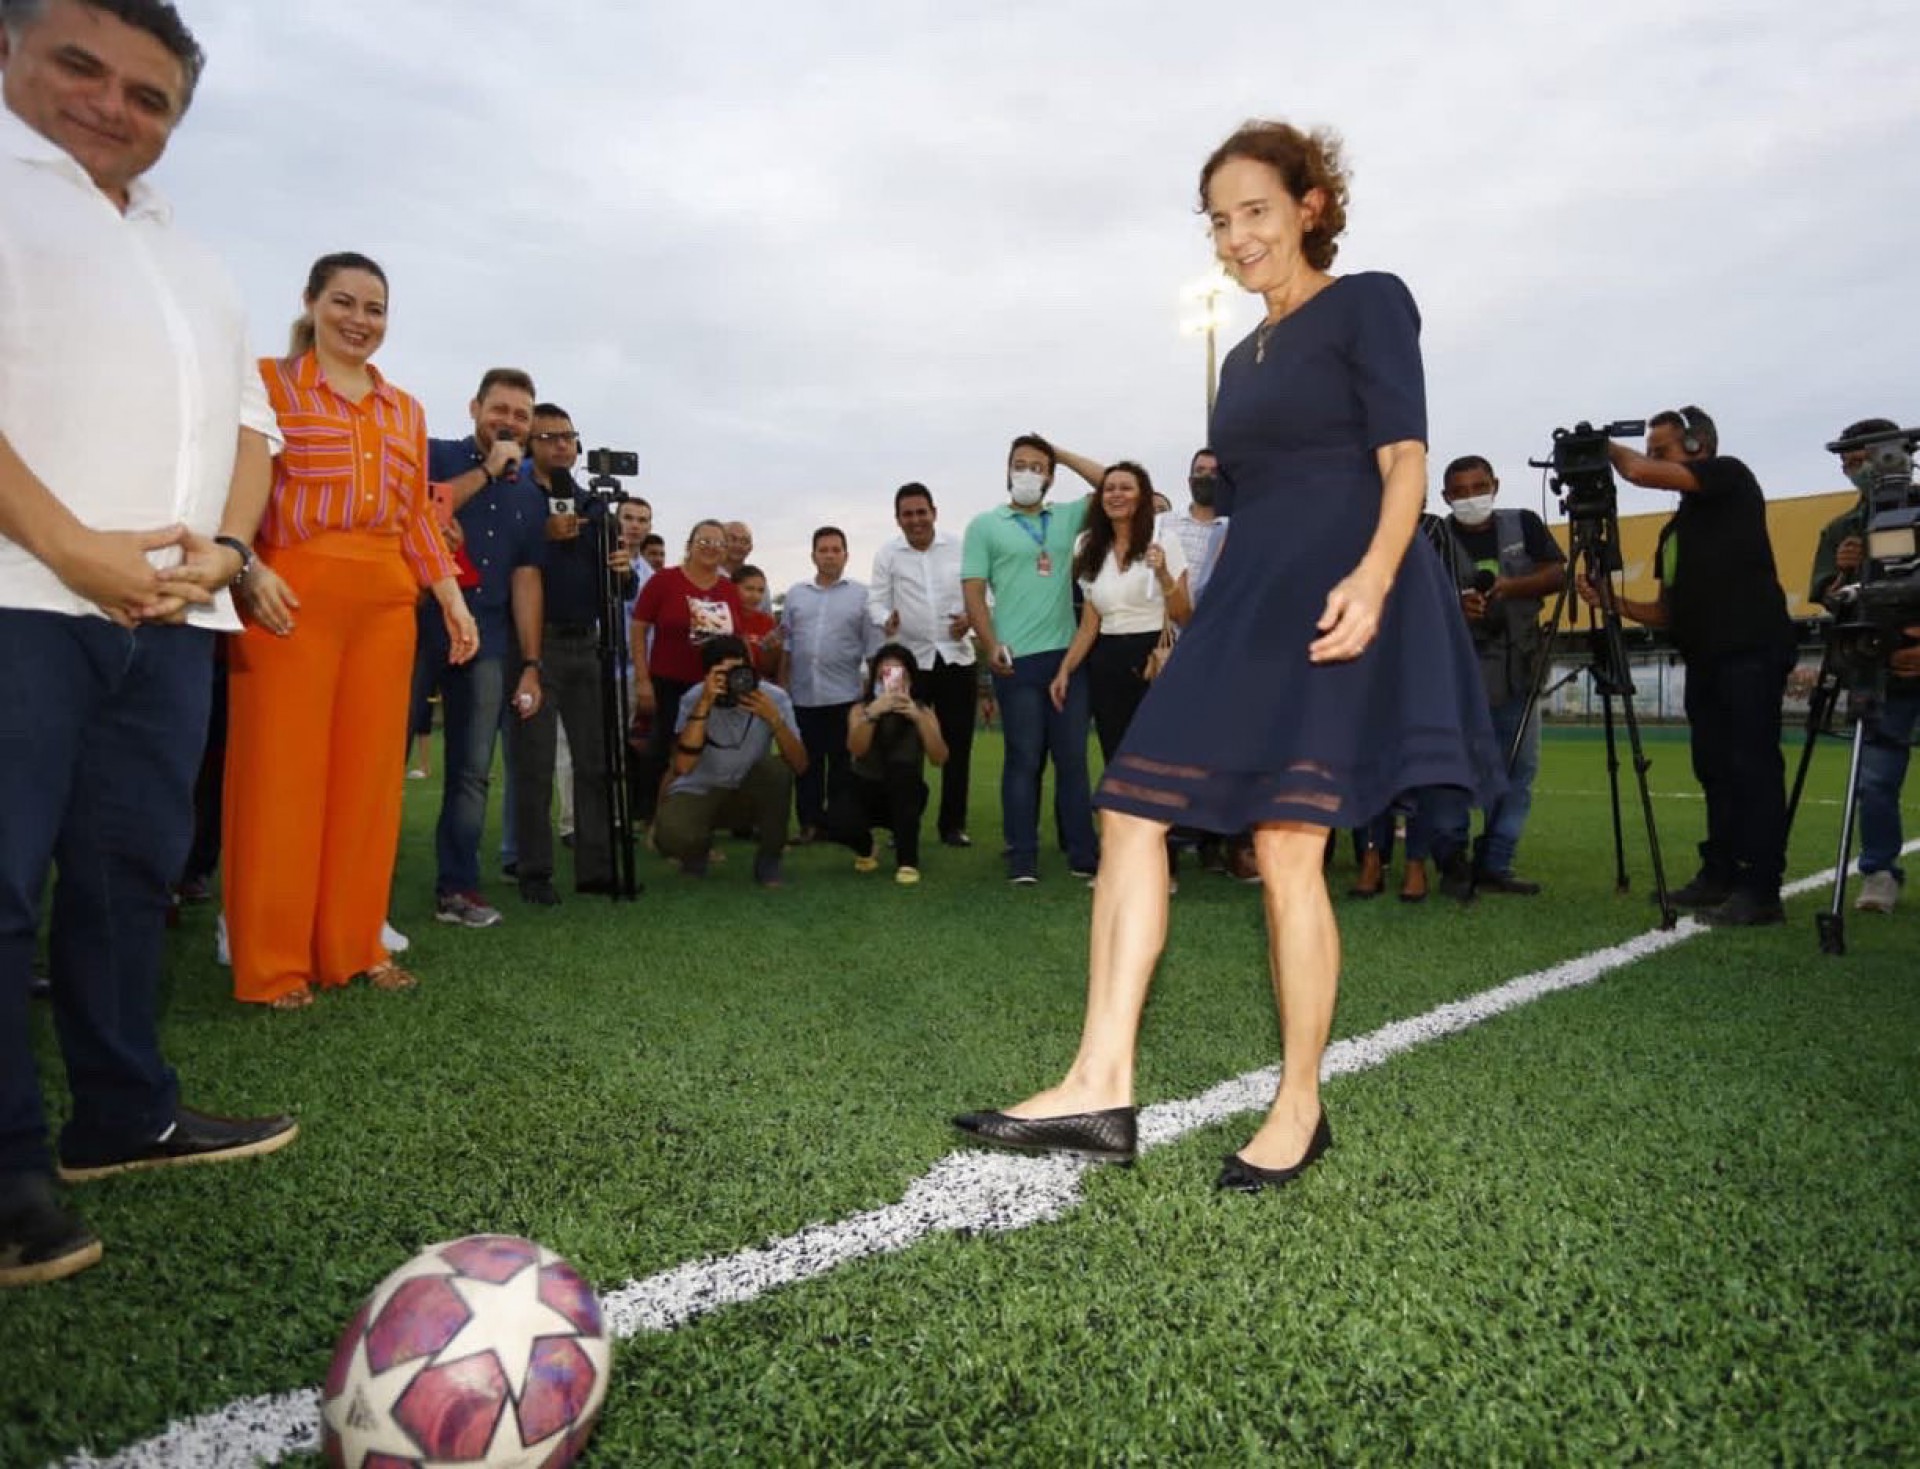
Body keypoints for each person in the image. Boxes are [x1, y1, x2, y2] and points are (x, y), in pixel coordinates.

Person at [954, 120, 1498, 1191]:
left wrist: (1378, 574)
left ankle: (1301, 1104)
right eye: (1219, 220)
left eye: (1256, 210)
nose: (1237, 235)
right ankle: (1099, 1082)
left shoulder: (1371, 300)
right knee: (1128, 807)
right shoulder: (1240, 359)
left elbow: (1404, 460)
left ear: (1312, 205)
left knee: (1290, 843)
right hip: (1247, 598)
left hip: (1343, 581)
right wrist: (1184, 620)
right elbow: (1237, 505)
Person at [0, 0, 299, 1287]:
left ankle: (123, 1111)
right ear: (12, 49)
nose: (114, 106)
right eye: (83, 67)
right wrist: (72, 543)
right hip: (21, 591)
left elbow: (253, 427)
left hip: (175, 618)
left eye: (150, 96)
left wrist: (228, 556)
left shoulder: (197, 254)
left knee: (131, 873)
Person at [223, 252, 478, 1009]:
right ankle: (272, 964)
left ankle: (354, 945)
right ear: (310, 302)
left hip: (385, 606)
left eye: (375, 308)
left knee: (370, 782)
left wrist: (452, 600)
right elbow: (236, 485)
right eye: (344, 301)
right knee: (281, 777)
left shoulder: (405, 409)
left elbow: (414, 522)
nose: (359, 320)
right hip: (287, 594)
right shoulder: (269, 383)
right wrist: (244, 568)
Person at [1578, 407, 1795, 926]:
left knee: (1752, 767)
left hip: (1750, 649)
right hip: (1705, 658)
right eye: (1650, 451)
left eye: (1663, 450)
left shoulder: (1730, 476)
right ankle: (1718, 872)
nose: (1651, 461)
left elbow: (1635, 472)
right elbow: (1666, 612)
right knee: (1715, 770)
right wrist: (1615, 603)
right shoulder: (1674, 532)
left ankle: (1760, 886)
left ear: (1698, 447)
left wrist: (1605, 447)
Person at [423, 369, 548, 929]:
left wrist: (530, 663)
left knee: (473, 770)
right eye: (501, 409)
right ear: (475, 407)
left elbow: (526, 578)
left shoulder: (529, 492)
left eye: (521, 415)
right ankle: (358, 885)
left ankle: (458, 888)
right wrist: (486, 471)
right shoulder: (433, 454)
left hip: (490, 637)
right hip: (419, 623)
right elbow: (422, 511)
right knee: (385, 755)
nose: (510, 423)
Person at [1418, 455, 1565, 894]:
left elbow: (1558, 572)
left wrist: (1510, 588)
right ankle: (1452, 863)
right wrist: (1455, 605)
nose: (1470, 498)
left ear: (1495, 484)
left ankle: (1496, 862)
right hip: (1453, 675)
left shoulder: (1524, 523)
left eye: (1478, 487)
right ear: (1446, 497)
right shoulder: (1432, 535)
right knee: (1448, 770)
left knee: (1518, 769)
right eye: (1459, 492)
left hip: (1517, 668)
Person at [961, 434, 1100, 884]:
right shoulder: (985, 525)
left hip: (1066, 659)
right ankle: (1023, 856)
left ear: (1050, 477)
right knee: (1022, 757)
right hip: (1014, 660)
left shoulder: (1064, 517)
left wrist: (1059, 451)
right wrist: (989, 643)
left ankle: (1083, 854)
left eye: (1037, 466)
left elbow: (1111, 483)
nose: (1026, 472)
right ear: (1006, 471)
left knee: (1073, 759)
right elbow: (974, 591)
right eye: (1018, 464)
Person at [508, 403, 632, 905]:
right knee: (535, 765)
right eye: (548, 437)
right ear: (529, 445)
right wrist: (541, 533)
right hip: (534, 649)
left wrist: (622, 571)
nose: (561, 445)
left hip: (591, 644)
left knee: (595, 764)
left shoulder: (594, 506)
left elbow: (618, 589)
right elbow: (507, 562)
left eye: (568, 437)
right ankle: (534, 874)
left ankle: (596, 869)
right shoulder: (516, 498)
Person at [1809, 417, 1920, 914]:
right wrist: (1846, 573)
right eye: (1845, 462)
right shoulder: (1841, 530)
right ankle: (1878, 871)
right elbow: (1832, 602)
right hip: (1879, 670)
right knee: (1873, 782)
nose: (1851, 470)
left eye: (1858, 460)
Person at [1052, 461, 1191, 761]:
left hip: (1154, 656)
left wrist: (1164, 573)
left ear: (1142, 496)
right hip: (1107, 662)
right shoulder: (1086, 545)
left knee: (1158, 758)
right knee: (1116, 757)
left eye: (1126, 488)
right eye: (1109, 489)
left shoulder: (1164, 541)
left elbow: (1183, 615)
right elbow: (1090, 625)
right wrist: (1065, 669)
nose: (1116, 494)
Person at [868, 483, 979, 848]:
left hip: (955, 657)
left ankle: (952, 825)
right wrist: (886, 619)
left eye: (921, 512)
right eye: (907, 514)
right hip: (906, 663)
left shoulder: (960, 547)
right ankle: (902, 821)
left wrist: (969, 618)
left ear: (934, 512)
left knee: (957, 744)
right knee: (899, 743)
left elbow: (983, 594)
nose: (915, 520)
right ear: (897, 518)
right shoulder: (888, 554)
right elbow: (876, 602)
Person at [652, 636, 807, 886]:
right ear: (708, 675)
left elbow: (800, 765)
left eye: (739, 670)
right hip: (702, 791)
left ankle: (769, 858)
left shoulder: (773, 698)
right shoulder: (694, 698)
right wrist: (704, 704)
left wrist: (774, 719)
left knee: (776, 770)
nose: (734, 679)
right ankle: (696, 852)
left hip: (748, 790)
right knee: (672, 836)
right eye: (723, 673)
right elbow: (682, 766)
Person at [631, 519, 747, 822]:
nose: (710, 549)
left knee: (707, 751)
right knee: (660, 750)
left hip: (713, 685)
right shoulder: (664, 581)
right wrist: (642, 680)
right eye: (704, 541)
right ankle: (653, 817)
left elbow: (739, 639)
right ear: (689, 545)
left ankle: (702, 817)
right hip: (667, 680)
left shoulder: (728, 589)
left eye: (718, 544)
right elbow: (639, 629)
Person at [826, 643, 950, 884]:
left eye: (898, 674)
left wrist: (917, 718)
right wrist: (873, 713)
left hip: (905, 792)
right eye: (884, 674)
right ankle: (866, 846)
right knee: (837, 820)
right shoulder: (860, 709)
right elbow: (856, 749)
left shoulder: (923, 710)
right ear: (874, 679)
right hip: (865, 787)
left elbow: (939, 758)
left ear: (910, 679)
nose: (891, 681)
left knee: (903, 774)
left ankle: (907, 861)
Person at [781, 526, 874, 842]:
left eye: (836, 549)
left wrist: (871, 695)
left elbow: (872, 647)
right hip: (803, 695)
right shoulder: (796, 594)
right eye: (824, 550)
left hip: (844, 696)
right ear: (813, 555)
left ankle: (837, 824)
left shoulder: (862, 596)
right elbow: (787, 644)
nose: (830, 555)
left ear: (846, 555)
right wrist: (783, 688)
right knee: (805, 766)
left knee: (841, 767)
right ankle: (809, 824)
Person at [732, 563, 783, 682]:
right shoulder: (724, 618)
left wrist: (773, 650)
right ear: (732, 588)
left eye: (760, 591)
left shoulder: (767, 622)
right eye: (749, 589)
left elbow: (768, 669)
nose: (755, 596)